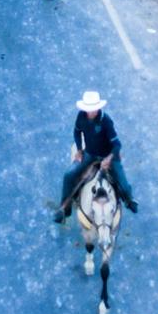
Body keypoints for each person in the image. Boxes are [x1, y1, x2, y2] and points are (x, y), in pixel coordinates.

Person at [55, 90, 137, 221]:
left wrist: (109, 158)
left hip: (108, 155)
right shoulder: (81, 116)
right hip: (90, 154)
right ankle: (64, 208)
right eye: (89, 109)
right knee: (69, 175)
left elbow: (117, 144)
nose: (91, 112)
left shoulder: (106, 121)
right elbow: (77, 132)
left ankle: (129, 200)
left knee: (122, 181)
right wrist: (80, 150)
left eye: (93, 108)